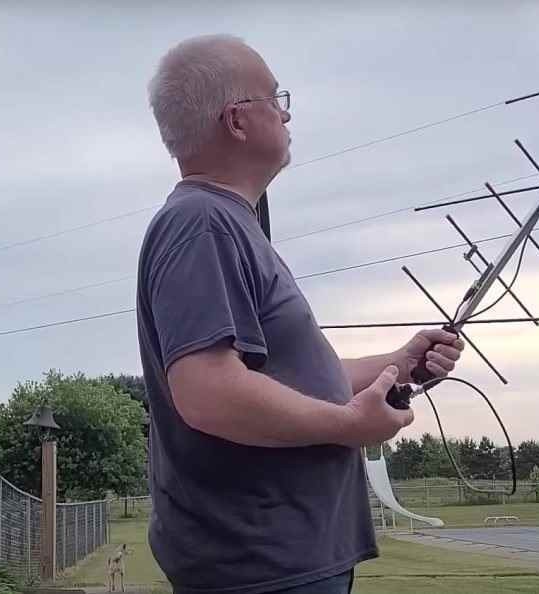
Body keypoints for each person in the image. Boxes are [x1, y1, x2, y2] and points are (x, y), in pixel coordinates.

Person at [137, 34, 465, 594]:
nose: (286, 112)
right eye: (275, 97)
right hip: (260, 563)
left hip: (284, 557)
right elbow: (208, 392)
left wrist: (399, 364)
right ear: (237, 120)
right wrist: (349, 427)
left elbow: (287, 380)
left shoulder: (230, 223)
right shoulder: (202, 224)